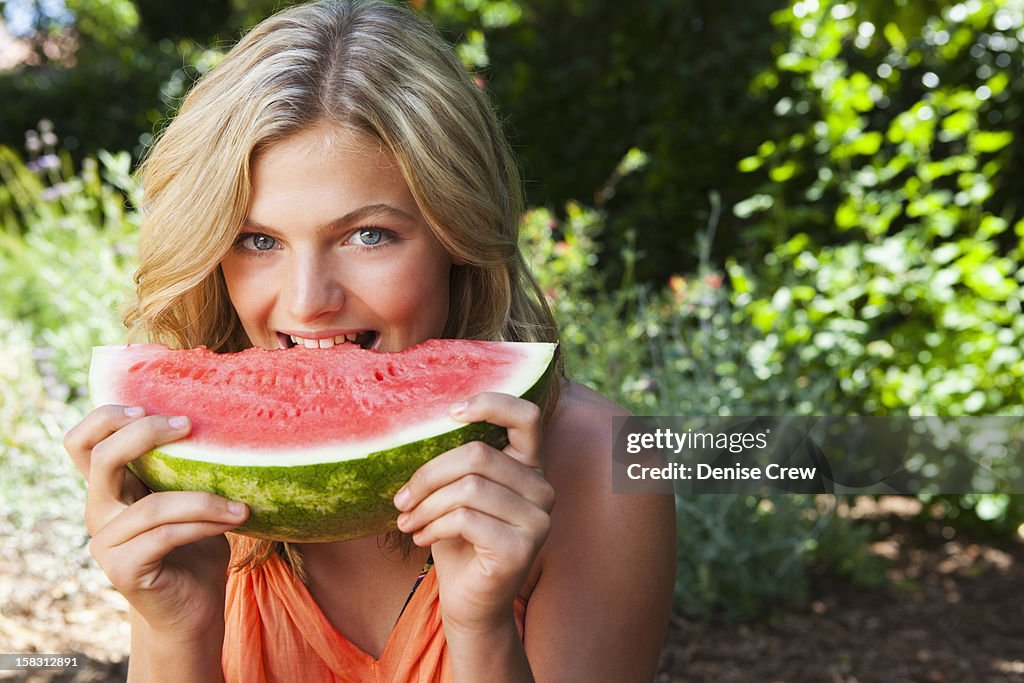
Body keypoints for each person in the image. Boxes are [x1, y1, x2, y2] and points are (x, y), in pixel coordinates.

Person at [63, 1, 676, 680]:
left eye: (368, 235)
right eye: (258, 240)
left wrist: (478, 628)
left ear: (457, 234)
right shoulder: (190, 460)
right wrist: (179, 629)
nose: (307, 301)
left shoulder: (605, 470)